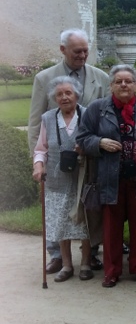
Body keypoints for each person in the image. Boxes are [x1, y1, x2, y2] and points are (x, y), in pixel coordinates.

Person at [29, 28, 109, 274]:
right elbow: (35, 123)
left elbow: (106, 121)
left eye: (86, 50)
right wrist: (37, 161)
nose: (82, 55)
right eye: (77, 51)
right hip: (55, 163)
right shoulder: (45, 78)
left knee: (88, 207)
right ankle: (56, 256)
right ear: (63, 50)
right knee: (57, 208)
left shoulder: (101, 77)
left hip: (89, 163)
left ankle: (90, 255)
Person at [76, 65, 136, 288]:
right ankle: (111, 271)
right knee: (111, 228)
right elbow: (82, 138)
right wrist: (99, 142)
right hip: (109, 177)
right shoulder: (97, 109)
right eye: (119, 81)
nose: (124, 85)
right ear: (111, 85)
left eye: (129, 81)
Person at [32, 77, 92, 282]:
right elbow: (41, 149)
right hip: (57, 180)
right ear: (54, 98)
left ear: (77, 95)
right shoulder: (48, 118)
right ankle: (67, 265)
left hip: (84, 177)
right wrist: (38, 166)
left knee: (84, 222)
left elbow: (96, 143)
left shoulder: (88, 115)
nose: (64, 97)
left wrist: (85, 149)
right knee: (61, 222)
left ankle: (86, 262)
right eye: (59, 94)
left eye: (68, 93)